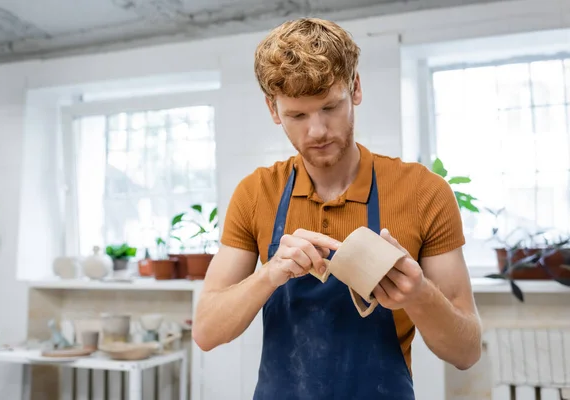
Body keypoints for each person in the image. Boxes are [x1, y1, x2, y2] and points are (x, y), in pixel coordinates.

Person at [192, 17, 482, 399]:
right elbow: (207, 333)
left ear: (355, 88)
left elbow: (466, 352)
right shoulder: (256, 193)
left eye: (330, 106)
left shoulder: (424, 192)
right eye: (297, 115)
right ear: (273, 109)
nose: (317, 131)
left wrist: (418, 293)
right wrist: (271, 274)